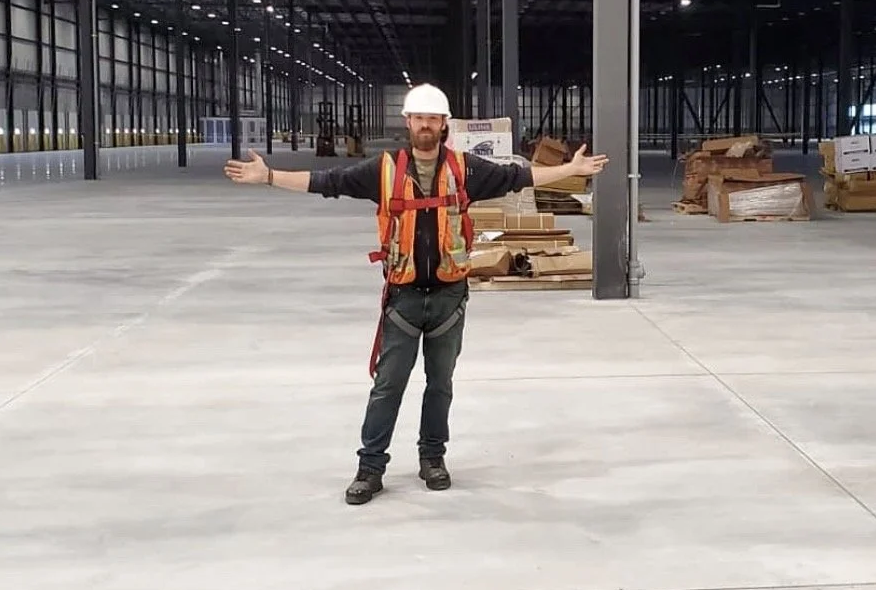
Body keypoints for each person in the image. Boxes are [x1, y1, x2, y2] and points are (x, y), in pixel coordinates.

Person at [223, 83, 608, 505]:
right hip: (403, 299)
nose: (426, 125)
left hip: (449, 298)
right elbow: (328, 182)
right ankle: (370, 468)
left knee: (440, 385)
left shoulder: (466, 170)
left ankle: (432, 459)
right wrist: (269, 176)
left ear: (444, 125)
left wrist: (571, 169)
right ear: (408, 122)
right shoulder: (384, 169)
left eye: (433, 119)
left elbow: (519, 177)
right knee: (387, 386)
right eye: (419, 118)